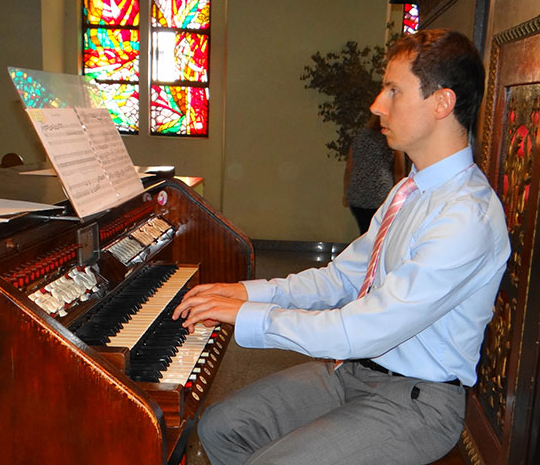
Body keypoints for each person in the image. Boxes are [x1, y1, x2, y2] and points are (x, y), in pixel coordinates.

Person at [173, 29, 510, 465]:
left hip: (417, 400)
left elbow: (365, 328)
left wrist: (251, 316)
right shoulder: (408, 190)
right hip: (353, 371)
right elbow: (341, 279)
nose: (377, 104)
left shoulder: (467, 216)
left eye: (394, 90)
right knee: (221, 427)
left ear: (442, 103)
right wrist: (246, 292)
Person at [343, 115, 406, 234]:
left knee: (365, 232)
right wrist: (400, 196)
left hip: (357, 195)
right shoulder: (392, 138)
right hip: (380, 195)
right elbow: (399, 171)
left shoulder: (360, 136)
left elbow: (349, 167)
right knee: (380, 235)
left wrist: (346, 192)